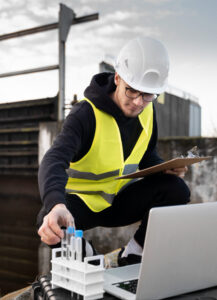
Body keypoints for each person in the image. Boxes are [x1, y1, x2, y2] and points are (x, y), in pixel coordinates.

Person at [37, 37, 190, 268]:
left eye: (148, 95)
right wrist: (56, 204)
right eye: (132, 91)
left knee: (176, 189)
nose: (139, 102)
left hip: (121, 201)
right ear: (118, 78)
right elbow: (54, 159)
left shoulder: (148, 111)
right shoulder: (85, 115)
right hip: (83, 205)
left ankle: (134, 254)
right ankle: (89, 256)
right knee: (48, 220)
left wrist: (164, 168)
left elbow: (147, 155)